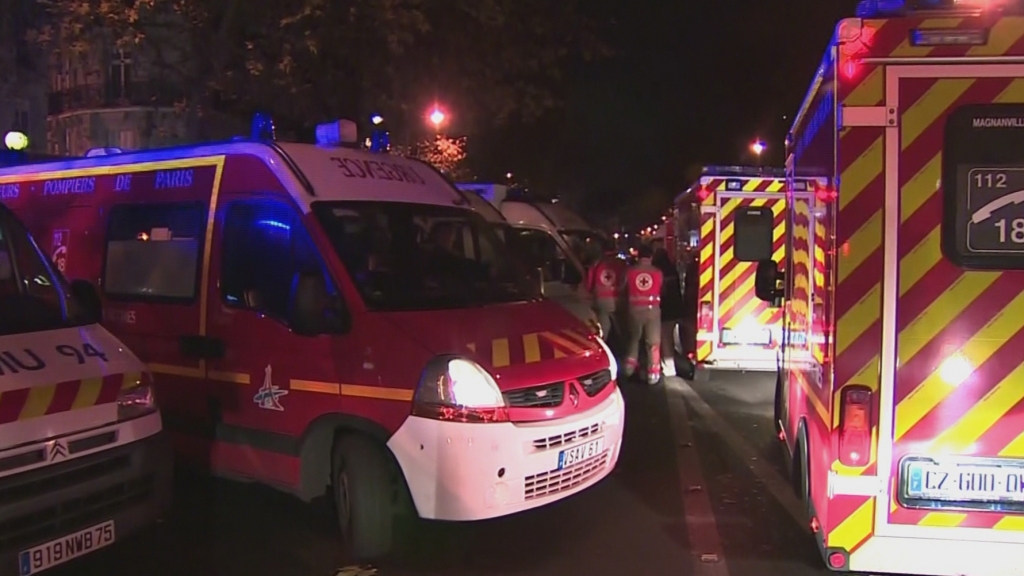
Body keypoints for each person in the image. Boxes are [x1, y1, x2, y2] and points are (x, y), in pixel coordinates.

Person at [623, 243, 664, 385]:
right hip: (652, 311)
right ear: (651, 256)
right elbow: (660, 289)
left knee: (634, 339)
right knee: (653, 343)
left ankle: (628, 368)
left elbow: (623, 288)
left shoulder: (630, 271)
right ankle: (653, 374)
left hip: (634, 310)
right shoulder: (657, 272)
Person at [652, 246, 684, 378]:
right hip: (674, 310)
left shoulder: (659, 272)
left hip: (664, 310)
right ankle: (667, 365)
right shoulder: (672, 270)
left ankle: (668, 367)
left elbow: (661, 292)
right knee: (668, 339)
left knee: (661, 340)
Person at [586, 249, 626, 344]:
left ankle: (602, 347)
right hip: (617, 300)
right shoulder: (620, 265)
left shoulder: (596, 265)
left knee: (604, 327)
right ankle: (624, 349)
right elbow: (625, 281)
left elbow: (589, 284)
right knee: (621, 327)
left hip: (601, 300)